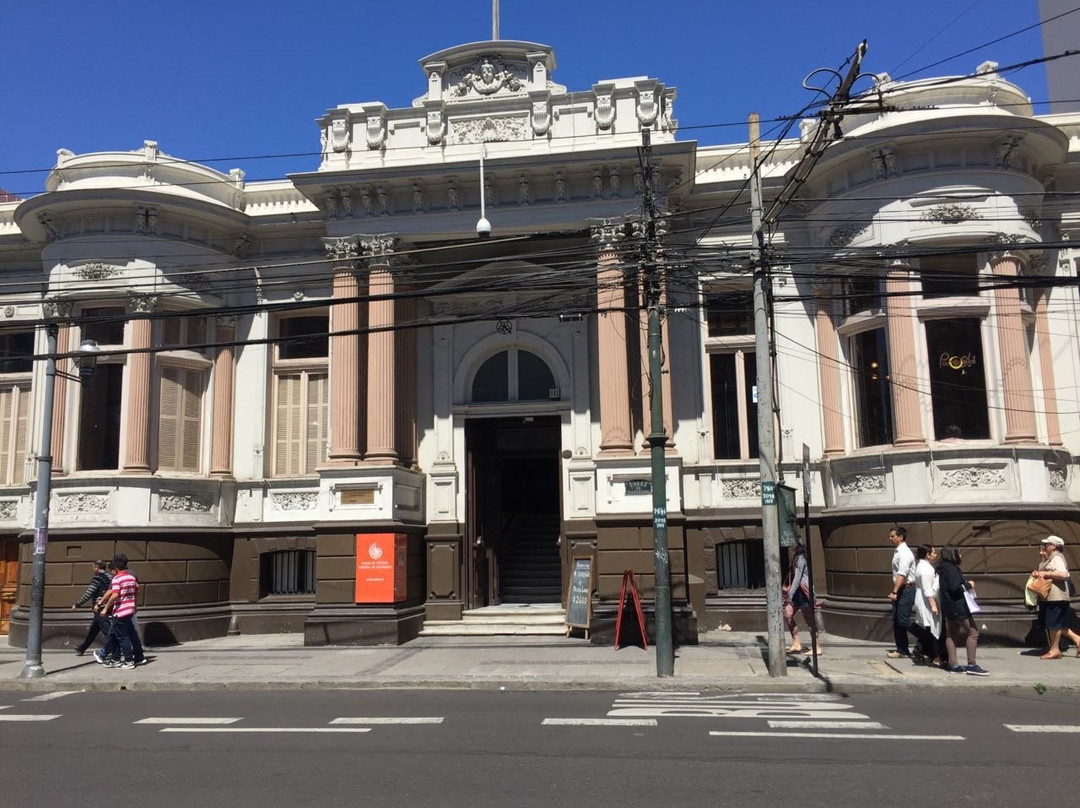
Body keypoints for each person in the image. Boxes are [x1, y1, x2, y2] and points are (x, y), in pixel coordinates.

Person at [938, 544, 988, 675]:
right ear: (952, 555)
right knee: (973, 632)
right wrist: (968, 584)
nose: (960, 555)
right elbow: (955, 588)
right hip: (958, 607)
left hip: (948, 606)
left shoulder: (942, 569)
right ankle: (971, 664)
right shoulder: (952, 570)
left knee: (951, 634)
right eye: (958, 553)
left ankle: (953, 664)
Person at [1030, 535, 1080, 659]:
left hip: (1056, 596)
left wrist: (1045, 573)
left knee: (1054, 624)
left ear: (1054, 546)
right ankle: (1078, 641)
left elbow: (1064, 574)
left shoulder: (1057, 557)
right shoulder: (1050, 558)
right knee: (1056, 624)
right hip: (1051, 597)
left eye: (1047, 544)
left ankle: (1054, 650)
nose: (1045, 546)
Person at [92, 556, 145, 669]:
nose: (111, 573)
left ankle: (128, 660)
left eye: (112, 570)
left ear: (116, 569)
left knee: (122, 637)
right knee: (113, 634)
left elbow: (114, 594)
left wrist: (105, 608)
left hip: (120, 611)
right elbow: (136, 591)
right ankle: (115, 659)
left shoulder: (117, 579)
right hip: (129, 610)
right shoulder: (131, 578)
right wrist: (134, 605)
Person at [783, 542, 821, 655]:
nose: (789, 547)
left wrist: (789, 594)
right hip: (797, 593)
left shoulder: (801, 559)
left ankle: (817, 647)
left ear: (797, 546)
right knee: (787, 613)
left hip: (804, 593)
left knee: (809, 619)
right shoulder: (795, 558)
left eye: (791, 545)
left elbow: (797, 578)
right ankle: (796, 643)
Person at [886, 526, 917, 659]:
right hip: (902, 589)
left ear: (901, 537)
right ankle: (902, 649)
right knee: (897, 621)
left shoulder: (904, 553)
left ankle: (926, 638)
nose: (890, 538)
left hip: (906, 589)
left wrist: (894, 592)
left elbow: (902, 575)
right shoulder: (898, 551)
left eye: (893, 536)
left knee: (903, 620)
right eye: (890, 535)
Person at [71, 560, 111, 656]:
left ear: (97, 567)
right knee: (94, 630)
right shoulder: (110, 577)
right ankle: (82, 648)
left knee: (108, 632)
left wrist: (77, 604)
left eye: (93, 567)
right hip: (107, 606)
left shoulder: (97, 579)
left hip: (99, 608)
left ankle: (115, 650)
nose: (93, 569)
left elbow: (88, 593)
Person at [910, 545, 941, 666]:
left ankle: (919, 650)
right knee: (931, 629)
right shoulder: (926, 570)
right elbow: (928, 590)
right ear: (927, 554)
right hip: (926, 602)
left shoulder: (921, 566)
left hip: (921, 599)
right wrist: (933, 605)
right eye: (933, 553)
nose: (935, 555)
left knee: (927, 628)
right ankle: (934, 655)